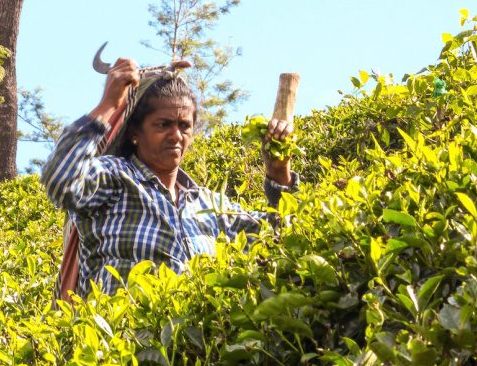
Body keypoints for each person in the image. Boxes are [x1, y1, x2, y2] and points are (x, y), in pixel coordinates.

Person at [41, 57, 298, 299]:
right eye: (163, 125)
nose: (176, 135)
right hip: (120, 341)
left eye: (184, 125)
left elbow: (280, 238)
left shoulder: (209, 206)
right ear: (135, 133)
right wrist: (108, 104)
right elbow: (62, 181)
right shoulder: (115, 179)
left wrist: (278, 173)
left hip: (195, 344)